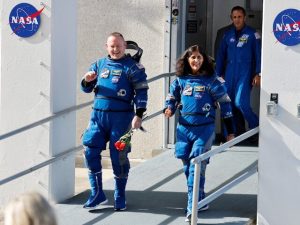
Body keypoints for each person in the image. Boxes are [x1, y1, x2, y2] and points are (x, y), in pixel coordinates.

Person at [164, 45, 234, 222]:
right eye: (193, 57)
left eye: (199, 58)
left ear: (204, 60)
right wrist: (169, 108)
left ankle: (191, 207)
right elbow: (172, 97)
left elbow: (225, 105)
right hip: (184, 128)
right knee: (187, 166)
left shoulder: (212, 81)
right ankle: (200, 198)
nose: (196, 61)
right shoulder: (180, 80)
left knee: (197, 164)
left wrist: (230, 131)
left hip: (204, 128)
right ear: (187, 60)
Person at [80, 32, 148, 211]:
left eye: (118, 46)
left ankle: (120, 195)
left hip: (122, 118)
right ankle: (97, 193)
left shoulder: (133, 67)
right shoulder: (99, 64)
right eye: (112, 46)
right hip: (98, 117)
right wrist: (86, 81)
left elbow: (142, 92)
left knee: (119, 156)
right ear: (106, 47)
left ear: (125, 46)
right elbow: (86, 88)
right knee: (90, 151)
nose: (115, 49)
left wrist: (139, 114)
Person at [215, 6, 261, 139]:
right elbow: (221, 56)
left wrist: (258, 73)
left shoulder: (253, 34)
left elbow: (258, 55)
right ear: (231, 18)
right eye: (234, 17)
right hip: (229, 73)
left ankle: (256, 127)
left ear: (244, 17)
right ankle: (229, 135)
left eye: (239, 17)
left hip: (245, 74)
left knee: (240, 103)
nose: (237, 20)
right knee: (227, 104)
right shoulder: (227, 35)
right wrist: (218, 75)